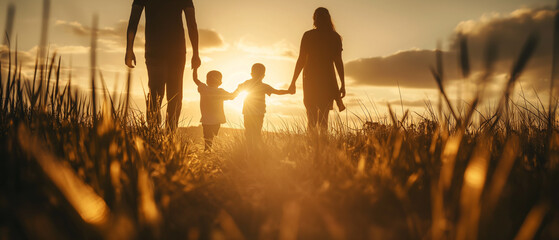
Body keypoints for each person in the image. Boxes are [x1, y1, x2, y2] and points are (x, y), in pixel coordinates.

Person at [125, 0, 201, 131]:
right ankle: (169, 135)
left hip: (155, 49)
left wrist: (129, 49)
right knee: (175, 94)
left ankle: (155, 134)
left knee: (155, 92)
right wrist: (195, 52)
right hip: (175, 50)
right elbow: (191, 24)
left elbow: (133, 21)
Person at [288, 7, 346, 132]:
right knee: (324, 118)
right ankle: (321, 147)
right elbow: (338, 62)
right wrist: (342, 84)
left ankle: (311, 146)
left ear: (314, 19)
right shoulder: (334, 37)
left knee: (311, 116)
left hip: (310, 79)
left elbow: (301, 60)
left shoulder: (309, 35)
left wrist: (293, 82)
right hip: (327, 79)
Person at [238, 63, 290, 144]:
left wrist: (230, 95)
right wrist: (288, 91)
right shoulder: (264, 86)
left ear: (251, 74)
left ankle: (250, 147)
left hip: (249, 112)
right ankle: (254, 148)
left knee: (249, 131)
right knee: (256, 131)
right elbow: (277, 92)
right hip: (258, 112)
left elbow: (238, 89)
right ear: (263, 75)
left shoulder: (247, 83)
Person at [193, 68, 239, 151]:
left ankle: (207, 149)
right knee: (212, 136)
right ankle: (208, 150)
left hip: (206, 120)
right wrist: (239, 89)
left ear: (207, 80)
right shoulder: (220, 92)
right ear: (220, 82)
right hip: (217, 120)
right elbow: (232, 96)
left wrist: (195, 68)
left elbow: (195, 79)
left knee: (207, 137)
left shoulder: (203, 88)